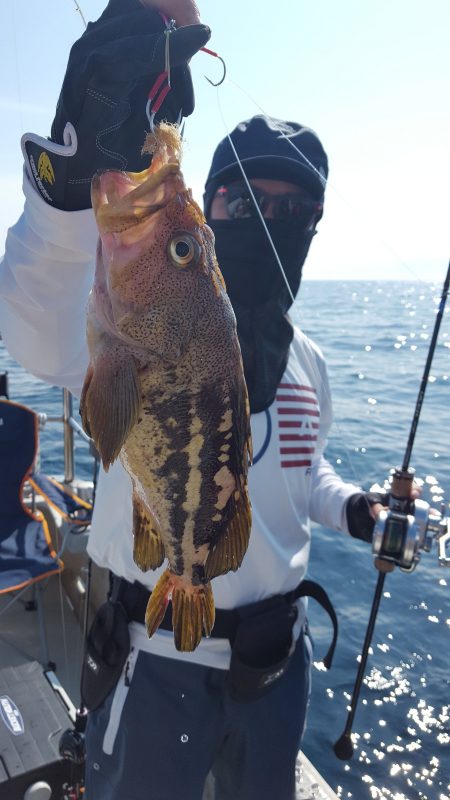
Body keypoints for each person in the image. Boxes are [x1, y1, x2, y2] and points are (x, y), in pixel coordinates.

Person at [0, 2, 386, 798]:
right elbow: (36, 330)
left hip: (277, 672)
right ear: (211, 212)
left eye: (294, 211)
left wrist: (353, 509)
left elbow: (296, 479)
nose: (269, 221)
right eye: (246, 204)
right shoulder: (115, 322)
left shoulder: (309, 361)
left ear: (314, 226)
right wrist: (70, 192)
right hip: (151, 665)